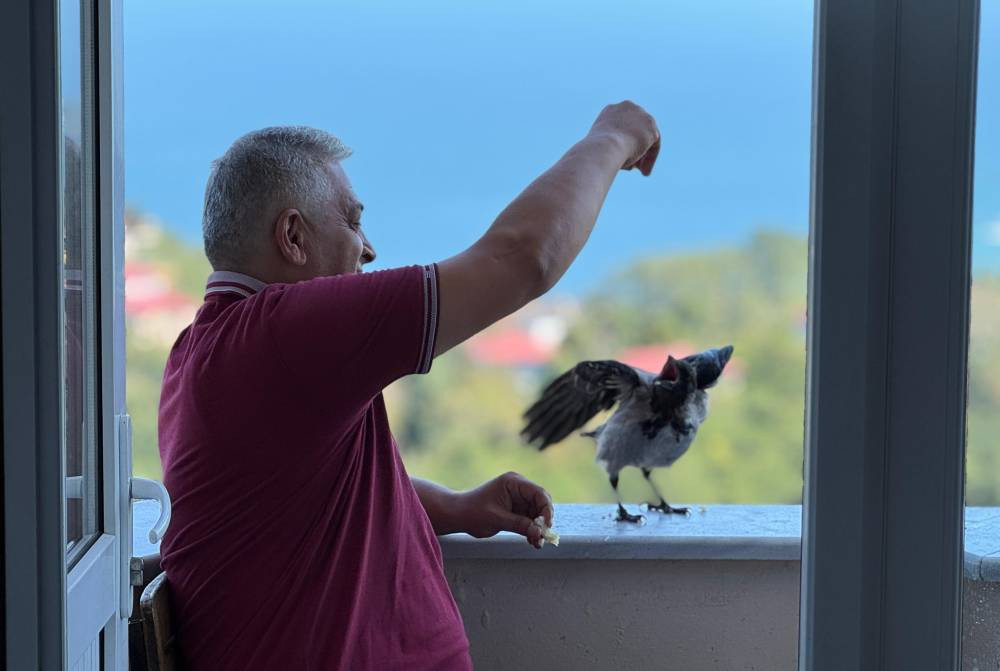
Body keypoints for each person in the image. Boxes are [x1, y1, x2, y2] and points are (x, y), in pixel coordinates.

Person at [158, 101, 661, 670]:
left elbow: (299, 494)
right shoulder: (285, 337)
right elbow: (523, 260)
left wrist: (455, 506)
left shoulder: (204, 349)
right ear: (294, 237)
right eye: (351, 221)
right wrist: (614, 136)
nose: (368, 248)